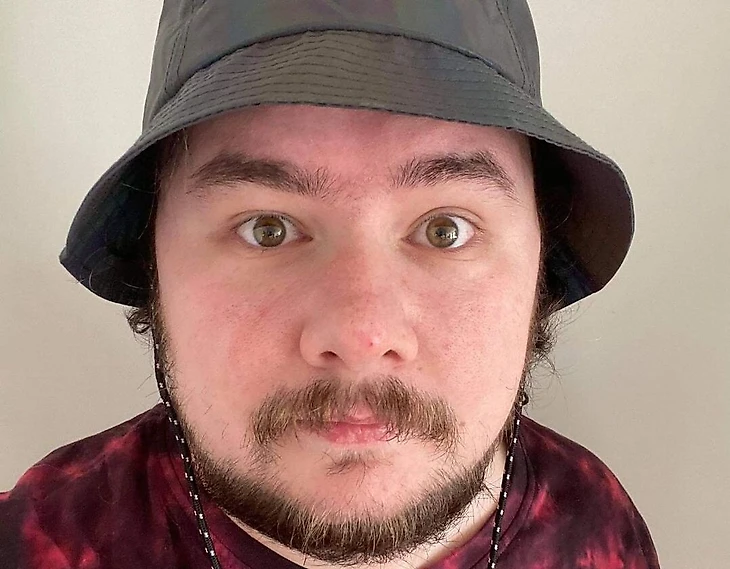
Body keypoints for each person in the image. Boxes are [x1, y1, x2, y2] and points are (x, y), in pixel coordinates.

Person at [0, 1, 661, 567]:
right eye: (267, 229)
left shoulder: (599, 524)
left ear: (540, 261)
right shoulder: (34, 542)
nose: (361, 335)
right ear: (152, 262)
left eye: (445, 230)